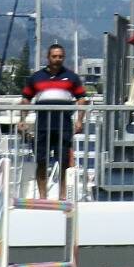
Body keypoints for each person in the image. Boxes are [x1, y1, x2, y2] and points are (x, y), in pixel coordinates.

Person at [23, 42, 86, 200]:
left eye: (61, 56)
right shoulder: (36, 77)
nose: (58, 59)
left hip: (63, 127)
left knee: (64, 162)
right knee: (42, 162)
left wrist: (79, 120)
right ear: (48, 57)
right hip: (42, 127)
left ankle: (63, 196)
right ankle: (43, 196)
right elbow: (25, 99)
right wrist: (22, 119)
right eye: (54, 56)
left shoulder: (72, 77)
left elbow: (82, 99)